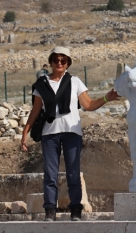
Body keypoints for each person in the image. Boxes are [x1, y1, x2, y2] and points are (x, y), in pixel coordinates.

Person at [21, 46, 120, 222]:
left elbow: (88, 105)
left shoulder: (75, 82)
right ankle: (50, 210)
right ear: (51, 62)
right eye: (56, 60)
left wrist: (106, 98)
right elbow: (35, 111)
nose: (59, 63)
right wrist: (25, 133)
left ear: (67, 63)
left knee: (73, 173)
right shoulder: (41, 85)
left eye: (63, 60)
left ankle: (76, 210)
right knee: (50, 174)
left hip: (72, 133)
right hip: (49, 134)